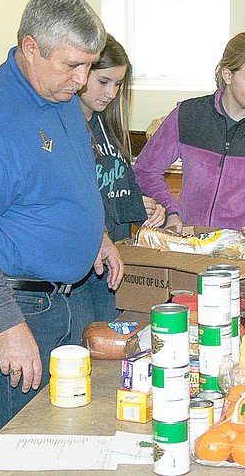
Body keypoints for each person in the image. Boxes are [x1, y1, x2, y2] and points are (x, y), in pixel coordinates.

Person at [0, 0, 122, 447]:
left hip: (68, 296)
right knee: (16, 447)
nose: (81, 80)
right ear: (31, 47)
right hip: (21, 308)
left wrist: (94, 233)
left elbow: (66, 178)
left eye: (88, 66)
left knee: (71, 435)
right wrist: (9, 326)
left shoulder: (55, 92)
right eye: (72, 65)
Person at [133, 31, 245, 240]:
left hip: (244, 253)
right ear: (227, 75)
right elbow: (145, 170)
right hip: (189, 244)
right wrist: (170, 212)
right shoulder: (187, 115)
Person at [68, 35, 166, 345]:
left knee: (113, 338)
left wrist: (147, 205)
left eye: (118, 84)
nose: (111, 93)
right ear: (82, 74)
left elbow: (118, 183)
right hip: (83, 257)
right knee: (86, 341)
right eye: (103, 81)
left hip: (114, 252)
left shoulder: (105, 125)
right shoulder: (66, 126)